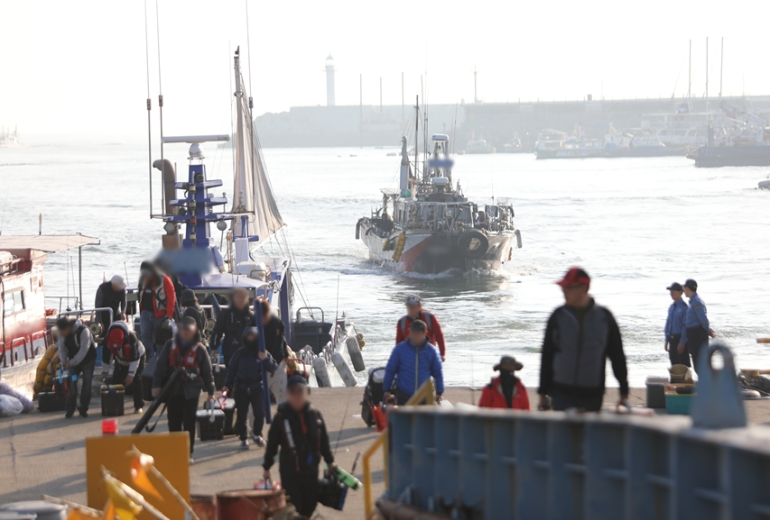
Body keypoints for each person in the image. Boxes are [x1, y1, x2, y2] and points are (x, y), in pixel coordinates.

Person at [537, 267, 628, 412]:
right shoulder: (558, 317)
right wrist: (542, 392)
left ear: (585, 288)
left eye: (569, 288)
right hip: (561, 391)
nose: (564, 292)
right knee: (565, 427)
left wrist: (624, 390)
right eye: (563, 288)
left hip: (592, 392)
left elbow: (617, 355)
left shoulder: (604, 318)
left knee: (588, 427)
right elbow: (547, 355)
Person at [262, 376, 335, 518]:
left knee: (310, 504)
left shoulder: (315, 415)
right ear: (287, 394)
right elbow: (272, 445)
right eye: (292, 391)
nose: (297, 395)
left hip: (311, 470)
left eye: (300, 391)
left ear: (307, 392)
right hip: (289, 471)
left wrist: (330, 461)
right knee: (294, 505)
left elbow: (324, 441)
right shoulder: (280, 417)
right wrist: (266, 467)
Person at [152, 317, 214, 462]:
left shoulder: (200, 349)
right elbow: (160, 366)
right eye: (183, 329)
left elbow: (207, 372)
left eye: (189, 330)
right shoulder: (170, 345)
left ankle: (188, 453)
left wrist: (211, 392)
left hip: (191, 393)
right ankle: (175, 452)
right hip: (173, 391)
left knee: (189, 424)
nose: (186, 333)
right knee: (173, 423)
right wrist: (156, 385)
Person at [222, 327, 277, 449]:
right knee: (241, 415)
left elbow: (273, 367)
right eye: (248, 337)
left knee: (260, 413)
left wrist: (265, 359)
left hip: (257, 386)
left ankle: (256, 434)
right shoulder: (239, 353)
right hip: (241, 387)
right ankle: (243, 438)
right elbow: (231, 371)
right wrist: (227, 385)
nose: (250, 339)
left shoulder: (262, 352)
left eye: (253, 337)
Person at [384, 320, 444, 405]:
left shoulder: (432, 351)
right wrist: (386, 389)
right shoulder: (399, 349)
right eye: (412, 332)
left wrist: (439, 392)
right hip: (404, 394)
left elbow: (438, 373)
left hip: (424, 395)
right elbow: (390, 370)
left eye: (417, 333)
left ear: (424, 333)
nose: (414, 335)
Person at [56, 317, 96, 418]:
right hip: (73, 362)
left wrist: (71, 363)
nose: (61, 333)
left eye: (63, 331)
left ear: (68, 327)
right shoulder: (62, 334)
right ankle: (70, 408)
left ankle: (83, 408)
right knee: (71, 382)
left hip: (88, 360)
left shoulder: (84, 331)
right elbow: (62, 349)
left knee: (87, 383)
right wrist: (63, 361)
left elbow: (83, 351)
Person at [102, 321, 146, 413]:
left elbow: (135, 358)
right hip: (120, 359)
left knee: (136, 380)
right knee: (116, 381)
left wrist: (131, 375)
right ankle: (115, 407)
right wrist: (105, 372)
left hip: (137, 358)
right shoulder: (107, 339)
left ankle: (138, 406)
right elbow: (106, 357)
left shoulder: (132, 337)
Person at [138, 261, 176, 356]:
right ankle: (145, 356)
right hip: (145, 313)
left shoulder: (165, 279)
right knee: (145, 335)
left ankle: (160, 356)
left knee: (160, 337)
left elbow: (171, 298)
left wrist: (169, 315)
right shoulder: (142, 280)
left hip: (160, 315)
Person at [678, 279, 716, 373]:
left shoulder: (697, 302)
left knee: (700, 363)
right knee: (697, 362)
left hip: (697, 335)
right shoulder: (692, 302)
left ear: (687, 288)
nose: (683, 291)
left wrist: (707, 331)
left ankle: (708, 381)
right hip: (693, 335)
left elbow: (704, 321)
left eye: (684, 288)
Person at [395, 294, 447, 361]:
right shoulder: (401, 322)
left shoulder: (430, 318)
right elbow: (399, 343)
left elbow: (439, 336)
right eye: (409, 306)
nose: (411, 309)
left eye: (413, 306)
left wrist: (442, 354)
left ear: (420, 306)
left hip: (428, 356)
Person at [210, 287, 254, 366]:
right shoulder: (225, 314)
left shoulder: (252, 316)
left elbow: (258, 335)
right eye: (238, 297)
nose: (240, 300)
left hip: (247, 352)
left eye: (243, 297)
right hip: (230, 351)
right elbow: (217, 331)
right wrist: (214, 347)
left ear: (247, 299)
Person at [94, 275, 127, 367]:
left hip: (116, 315)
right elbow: (97, 306)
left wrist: (123, 311)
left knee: (117, 336)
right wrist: (100, 322)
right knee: (104, 339)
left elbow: (124, 301)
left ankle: (118, 360)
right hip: (103, 316)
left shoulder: (122, 290)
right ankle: (105, 362)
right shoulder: (102, 288)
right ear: (113, 285)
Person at [261, 299, 290, 404]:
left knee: (283, 396)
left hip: (278, 362)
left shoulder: (277, 322)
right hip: (261, 365)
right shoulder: (253, 324)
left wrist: (286, 355)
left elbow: (282, 340)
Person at [664, 282, 689, 367]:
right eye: (670, 292)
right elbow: (668, 324)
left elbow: (685, 326)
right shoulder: (671, 307)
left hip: (680, 339)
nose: (671, 293)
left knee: (684, 366)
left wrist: (682, 342)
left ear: (680, 292)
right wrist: (666, 339)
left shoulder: (684, 307)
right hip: (672, 340)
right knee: (674, 366)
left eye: (673, 291)